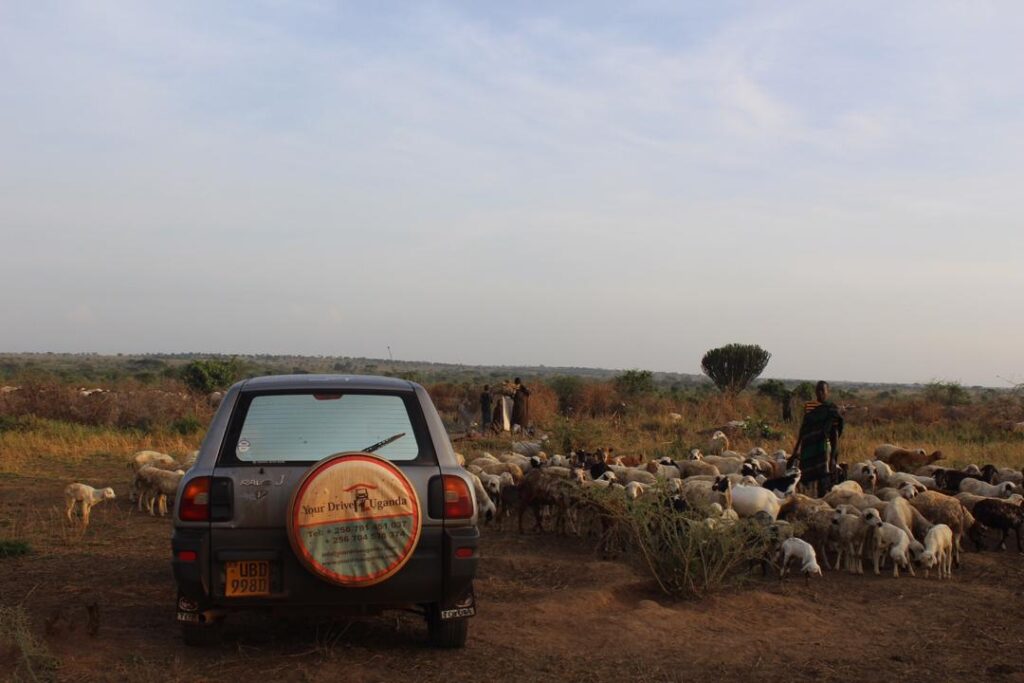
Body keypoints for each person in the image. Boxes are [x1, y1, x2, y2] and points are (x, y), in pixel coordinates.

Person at [791, 380, 844, 497]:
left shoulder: (832, 409)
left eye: (822, 391)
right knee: (807, 475)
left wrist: (833, 458)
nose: (820, 393)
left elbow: (834, 434)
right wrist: (796, 450)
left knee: (824, 476)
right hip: (809, 446)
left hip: (824, 447)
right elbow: (804, 428)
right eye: (817, 390)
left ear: (827, 392)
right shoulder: (809, 406)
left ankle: (822, 499)